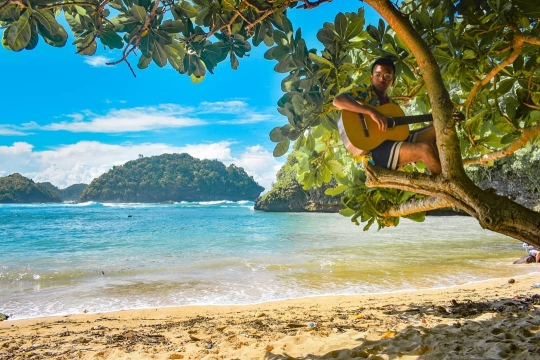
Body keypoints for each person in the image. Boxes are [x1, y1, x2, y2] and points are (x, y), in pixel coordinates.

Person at [333, 58, 441, 174]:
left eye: (387, 76)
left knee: (439, 127)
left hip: (395, 144)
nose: (382, 79)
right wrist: (371, 112)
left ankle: (446, 175)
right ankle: (446, 187)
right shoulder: (364, 91)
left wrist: (432, 124)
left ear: (393, 80)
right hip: (377, 152)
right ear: (371, 77)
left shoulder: (392, 106)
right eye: (378, 75)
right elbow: (338, 101)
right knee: (425, 149)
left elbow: (403, 135)